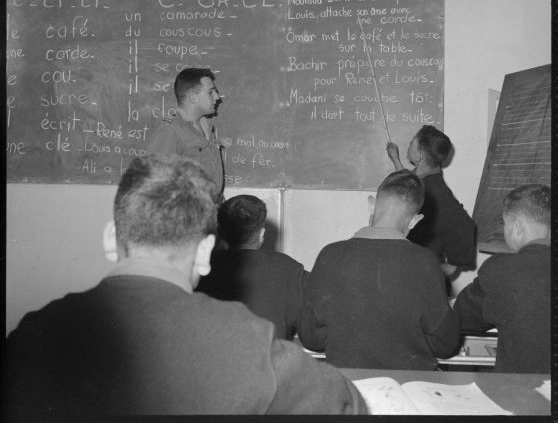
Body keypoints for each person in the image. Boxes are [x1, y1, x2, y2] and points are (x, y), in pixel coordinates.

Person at [4, 155, 366, 417]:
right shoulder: (250, 343)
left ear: (111, 238)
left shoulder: (33, 334)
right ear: (206, 251)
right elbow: (348, 405)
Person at [298, 169, 460, 370]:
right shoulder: (426, 262)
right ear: (415, 220)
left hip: (350, 387)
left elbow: (311, 338)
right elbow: (446, 344)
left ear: (371, 204)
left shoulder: (329, 255)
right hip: (409, 387)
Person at [453, 184, 550, 374]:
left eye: (504, 224)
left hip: (523, 394)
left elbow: (462, 319)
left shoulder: (501, 268)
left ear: (517, 227)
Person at [197, 194, 308, 340]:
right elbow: (310, 334)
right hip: (268, 361)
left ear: (221, 234)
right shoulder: (290, 268)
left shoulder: (201, 269)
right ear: (262, 234)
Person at [386, 125, 476, 280]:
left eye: (412, 143)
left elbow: (465, 225)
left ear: (420, 156)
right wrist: (396, 160)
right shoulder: (422, 180)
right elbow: (407, 182)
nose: (409, 144)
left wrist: (449, 267)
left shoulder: (436, 192)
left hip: (417, 277)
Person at [147, 67, 224, 200]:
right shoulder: (170, 130)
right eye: (211, 92)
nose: (217, 97)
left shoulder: (206, 125)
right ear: (193, 97)